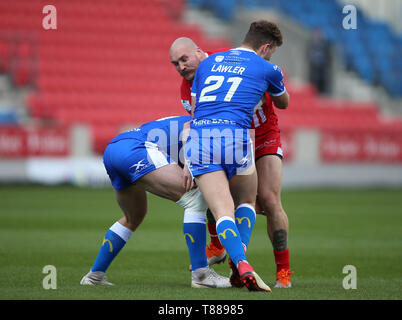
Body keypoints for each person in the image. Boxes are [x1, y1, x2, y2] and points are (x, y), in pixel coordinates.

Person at [169, 21, 293, 289]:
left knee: (267, 201)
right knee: (236, 200)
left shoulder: (215, 63)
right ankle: (229, 254)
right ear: (266, 48)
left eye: (184, 59)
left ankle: (282, 270)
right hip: (238, 134)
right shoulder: (262, 66)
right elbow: (284, 99)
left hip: (260, 133)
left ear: (200, 52)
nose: (181, 67)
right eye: (175, 63)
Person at [80, 115, 231, 289]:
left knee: (133, 217)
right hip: (137, 148)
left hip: (116, 148)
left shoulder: (203, 121)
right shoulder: (212, 127)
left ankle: (94, 276)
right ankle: (201, 275)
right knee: (195, 199)